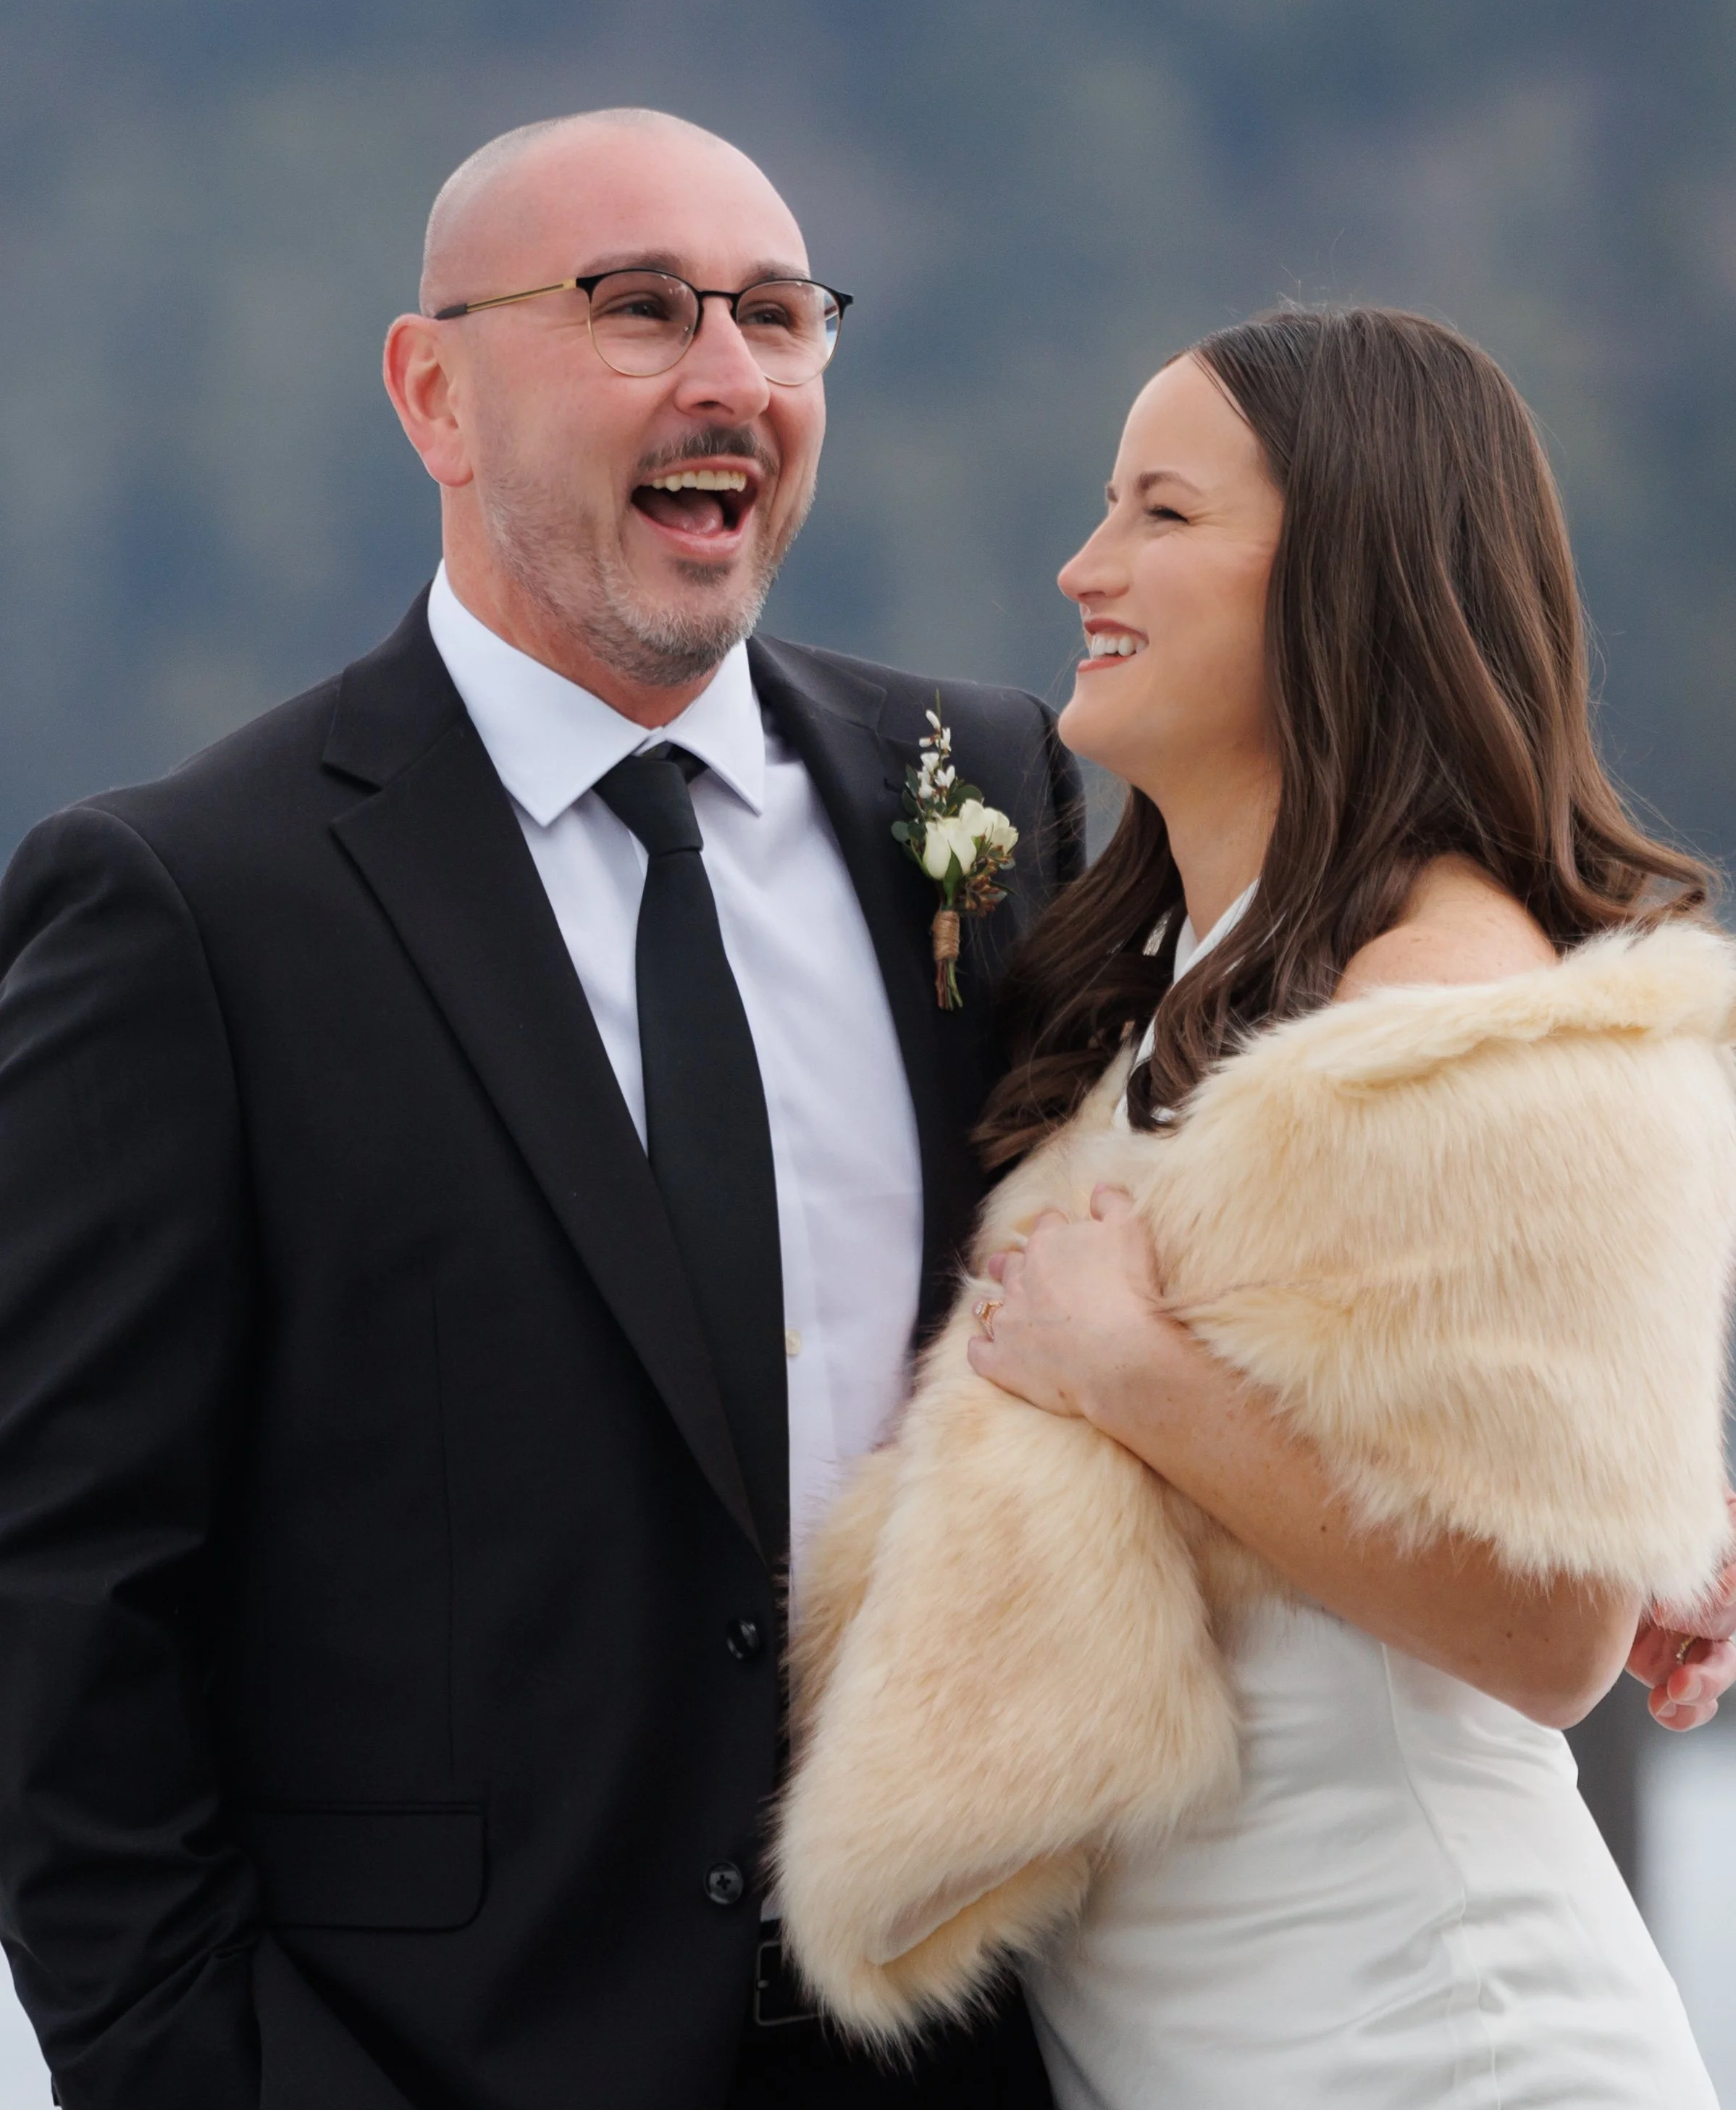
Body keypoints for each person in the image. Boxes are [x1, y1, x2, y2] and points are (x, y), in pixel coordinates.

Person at [0, 109, 1076, 2108]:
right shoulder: (188, 905)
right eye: (639, 309)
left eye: (776, 315)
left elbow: (1193, 1237)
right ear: (436, 392)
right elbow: (63, 1594)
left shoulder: (986, 792)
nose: (729, 375)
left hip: (966, 2051)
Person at [779, 308, 1736, 2107]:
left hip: (1443, 2050)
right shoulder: (1163, 995)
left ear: (1346, 581)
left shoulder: (1447, 1014)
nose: (1085, 565)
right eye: (1101, 508)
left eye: (1162, 514)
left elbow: (1554, 1636)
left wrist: (1134, 1372)